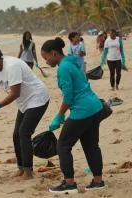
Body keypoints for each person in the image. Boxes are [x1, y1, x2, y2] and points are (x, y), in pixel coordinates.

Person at [0, 43, 50, 181]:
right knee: (16, 135)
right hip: (24, 103)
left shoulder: (12, 66)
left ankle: (28, 172)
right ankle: (21, 168)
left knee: (24, 133)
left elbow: (15, 93)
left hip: (38, 98)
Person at [41, 37, 105, 194]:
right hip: (95, 106)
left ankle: (69, 183)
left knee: (62, 145)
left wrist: (60, 115)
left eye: (46, 57)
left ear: (53, 53)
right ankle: (98, 181)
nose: (46, 61)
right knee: (91, 145)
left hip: (82, 109)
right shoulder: (73, 61)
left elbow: (68, 97)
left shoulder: (63, 68)